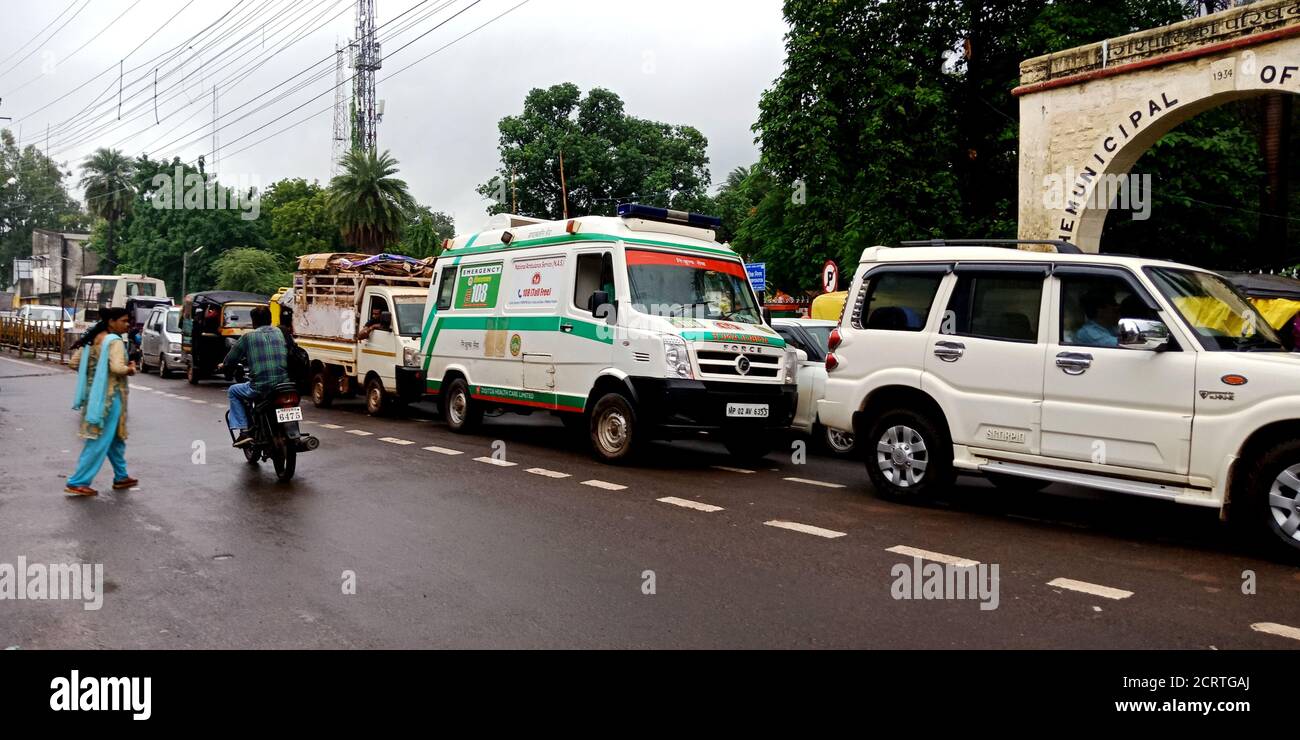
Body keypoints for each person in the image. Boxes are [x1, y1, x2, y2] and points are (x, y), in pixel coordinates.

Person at [66, 307, 137, 496]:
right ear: (111, 322)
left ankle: (121, 476)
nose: (127, 324)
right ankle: (77, 481)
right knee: (98, 441)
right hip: (110, 398)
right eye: (124, 320)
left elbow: (74, 363)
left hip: (93, 396)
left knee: (114, 439)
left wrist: (94, 376)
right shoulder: (114, 342)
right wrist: (130, 369)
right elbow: (117, 368)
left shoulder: (93, 340)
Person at [220, 306, 289, 448]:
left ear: (254, 322)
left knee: (233, 390)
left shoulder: (248, 337)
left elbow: (231, 359)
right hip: (284, 385)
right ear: (270, 319)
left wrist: (223, 366)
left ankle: (244, 431)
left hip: (261, 387)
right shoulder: (280, 332)